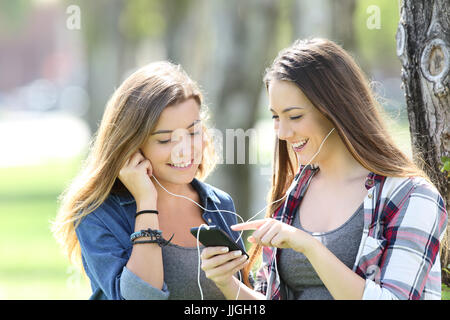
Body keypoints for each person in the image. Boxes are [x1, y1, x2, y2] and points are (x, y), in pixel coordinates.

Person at [200, 38, 448, 300]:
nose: (283, 132)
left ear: (337, 109)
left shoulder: (412, 196)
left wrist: (310, 247)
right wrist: (228, 284)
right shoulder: (295, 192)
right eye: (275, 116)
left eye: (294, 116)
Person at [51, 61, 247, 300]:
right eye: (165, 140)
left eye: (193, 132)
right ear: (132, 145)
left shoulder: (219, 204)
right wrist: (146, 201)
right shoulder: (97, 214)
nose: (184, 150)